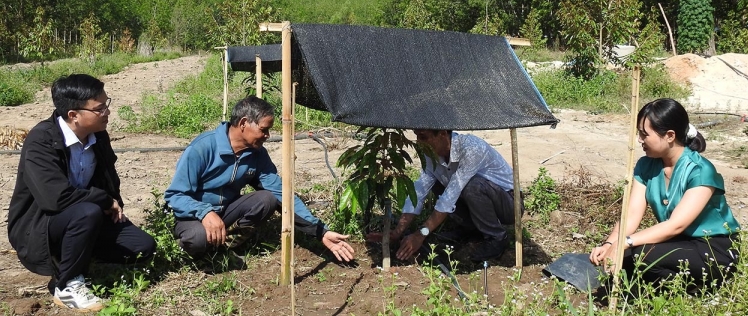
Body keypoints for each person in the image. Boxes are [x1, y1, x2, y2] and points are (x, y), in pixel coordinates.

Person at [7, 74, 156, 312]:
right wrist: (104, 200)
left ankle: (78, 253)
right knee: (86, 212)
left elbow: (108, 178)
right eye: (99, 109)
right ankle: (66, 285)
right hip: (40, 224)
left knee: (142, 247)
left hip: (85, 216)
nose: (107, 112)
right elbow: (55, 198)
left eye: (107, 104)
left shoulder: (98, 136)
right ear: (73, 115)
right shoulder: (41, 140)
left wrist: (114, 204)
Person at [164, 96, 354, 263]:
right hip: (193, 215)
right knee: (197, 239)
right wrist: (205, 212)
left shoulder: (257, 154)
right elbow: (175, 195)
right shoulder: (202, 148)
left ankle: (225, 247)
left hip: (226, 211)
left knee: (266, 199)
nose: (267, 136)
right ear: (244, 123)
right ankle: (198, 249)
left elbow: (280, 192)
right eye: (264, 130)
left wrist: (321, 231)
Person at [590, 98, 740, 290]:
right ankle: (666, 288)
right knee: (622, 257)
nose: (639, 140)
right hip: (679, 243)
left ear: (669, 135)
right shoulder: (646, 165)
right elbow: (632, 214)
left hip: (713, 247)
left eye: (644, 134)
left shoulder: (700, 170)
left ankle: (691, 292)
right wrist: (610, 244)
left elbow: (676, 225)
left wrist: (624, 243)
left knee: (641, 255)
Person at [368, 129, 521, 262]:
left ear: (442, 134)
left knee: (472, 186)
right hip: (480, 200)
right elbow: (419, 192)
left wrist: (421, 234)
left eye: (423, 137)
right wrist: (397, 232)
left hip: (509, 205)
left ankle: (497, 237)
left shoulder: (472, 148)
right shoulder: (430, 156)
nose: (418, 143)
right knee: (437, 183)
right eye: (417, 137)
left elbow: (449, 198)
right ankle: (471, 229)